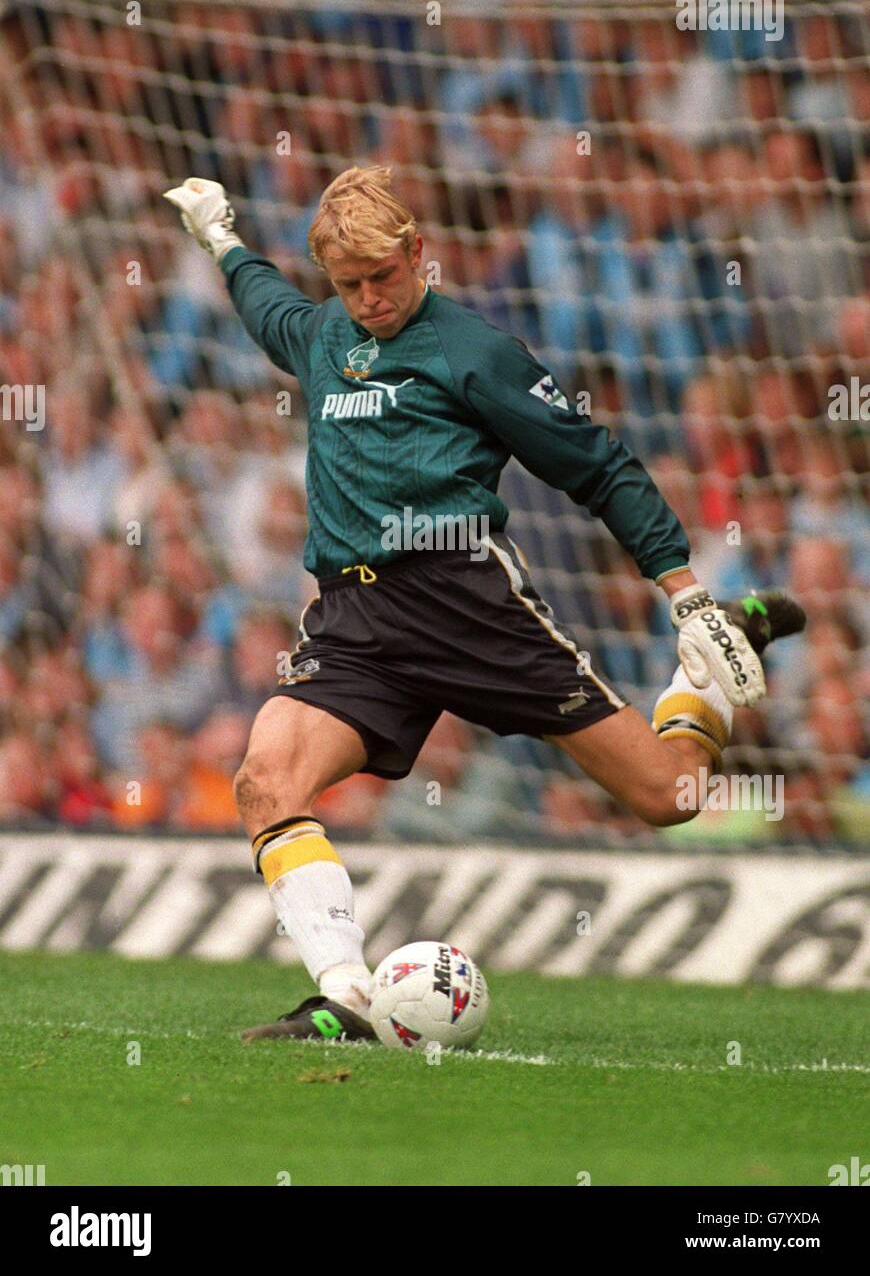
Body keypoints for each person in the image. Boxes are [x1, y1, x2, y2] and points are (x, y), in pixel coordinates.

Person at [164, 167, 804, 1044]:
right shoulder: (322, 334)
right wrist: (221, 239)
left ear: (419, 252)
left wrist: (685, 593)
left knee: (672, 795)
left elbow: (596, 464)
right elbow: (265, 302)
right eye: (348, 285)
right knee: (264, 779)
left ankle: (726, 648)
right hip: (355, 624)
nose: (368, 299)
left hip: (467, 604)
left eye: (382, 277)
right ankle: (345, 999)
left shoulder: (475, 351)